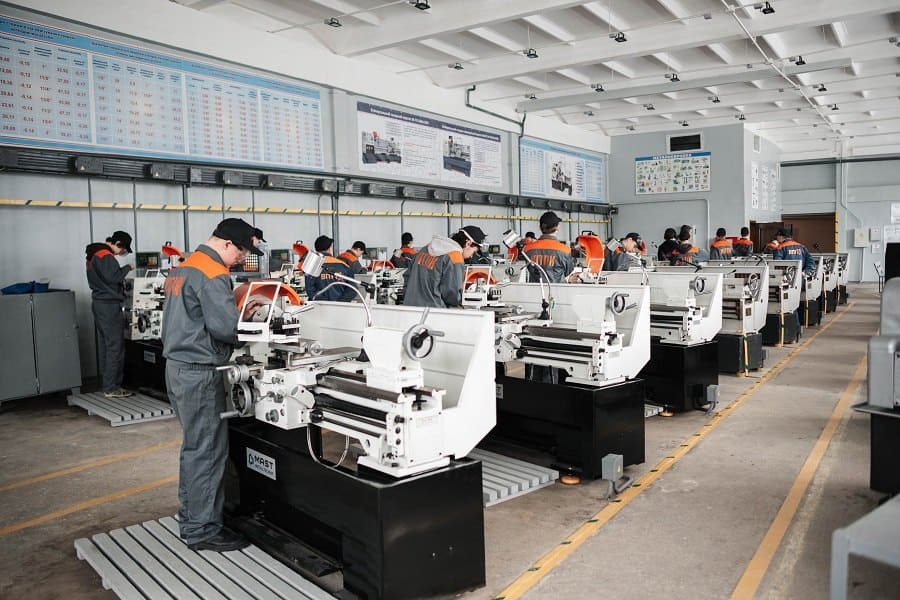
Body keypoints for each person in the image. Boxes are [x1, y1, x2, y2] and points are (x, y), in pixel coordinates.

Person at [161, 217, 263, 552]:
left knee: (194, 447)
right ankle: (202, 530)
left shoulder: (185, 266)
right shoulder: (213, 272)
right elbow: (226, 329)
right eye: (241, 252)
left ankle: (192, 517)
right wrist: (254, 320)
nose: (241, 259)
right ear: (227, 243)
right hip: (199, 372)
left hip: (178, 367)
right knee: (207, 451)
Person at [85, 230, 134, 399]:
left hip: (99, 304)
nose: (121, 253)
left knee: (106, 346)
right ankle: (112, 387)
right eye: (123, 250)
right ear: (118, 243)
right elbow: (113, 278)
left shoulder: (93, 254)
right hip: (109, 306)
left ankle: (107, 384)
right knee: (115, 347)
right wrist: (128, 267)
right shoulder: (105, 256)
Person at [403, 226, 485, 308]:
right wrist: (462, 293)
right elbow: (451, 295)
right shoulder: (455, 257)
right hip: (433, 311)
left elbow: (407, 277)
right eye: (474, 252)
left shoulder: (425, 249)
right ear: (468, 243)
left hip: (409, 308)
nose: (471, 256)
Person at [524, 211, 574, 283]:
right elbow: (568, 271)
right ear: (557, 227)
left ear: (540, 227)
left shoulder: (527, 249)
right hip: (558, 289)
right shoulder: (565, 250)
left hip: (535, 289)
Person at [306, 235, 357, 301]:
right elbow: (352, 289)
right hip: (340, 306)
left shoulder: (311, 266)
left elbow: (310, 290)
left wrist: (323, 302)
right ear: (330, 248)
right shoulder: (343, 265)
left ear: (316, 249)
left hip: (319, 306)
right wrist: (341, 302)